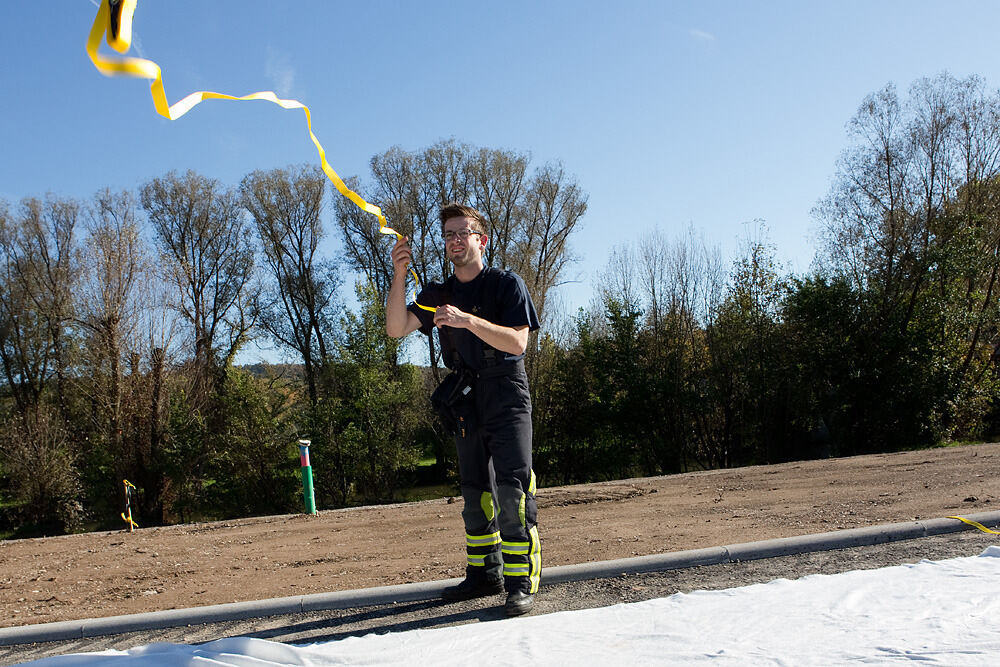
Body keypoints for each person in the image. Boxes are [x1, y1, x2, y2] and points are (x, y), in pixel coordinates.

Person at [386, 202, 541, 617]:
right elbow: (396, 328)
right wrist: (400, 274)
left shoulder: (507, 285)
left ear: (481, 240)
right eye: (449, 235)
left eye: (463, 233)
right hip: (465, 396)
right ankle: (482, 575)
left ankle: (519, 582)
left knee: (511, 490)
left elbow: (518, 343)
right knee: (475, 494)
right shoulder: (438, 294)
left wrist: (467, 321)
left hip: (506, 392)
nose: (455, 240)